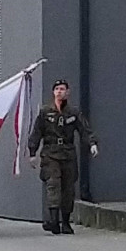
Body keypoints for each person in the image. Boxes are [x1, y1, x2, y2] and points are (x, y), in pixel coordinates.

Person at [28, 79, 98, 235]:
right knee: (53, 184)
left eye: (63, 89)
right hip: (50, 153)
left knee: (68, 188)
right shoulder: (45, 112)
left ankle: (65, 222)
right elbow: (36, 133)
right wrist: (32, 152)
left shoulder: (73, 112)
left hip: (67, 153)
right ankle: (54, 221)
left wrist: (92, 143)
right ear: (53, 92)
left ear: (68, 92)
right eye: (57, 89)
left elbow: (84, 129)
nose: (60, 91)